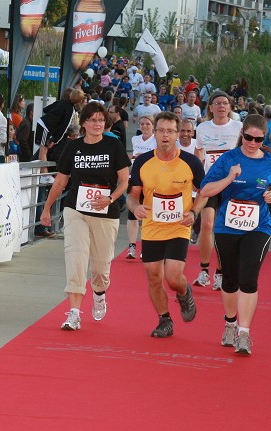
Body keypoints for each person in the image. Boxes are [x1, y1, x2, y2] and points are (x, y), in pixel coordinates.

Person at [39, 103, 130, 331]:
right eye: (92, 120)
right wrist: (47, 208)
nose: (96, 124)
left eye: (100, 120)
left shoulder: (114, 146)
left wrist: (110, 199)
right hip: (76, 211)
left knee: (100, 268)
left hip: (105, 214)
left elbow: (124, 180)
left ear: (105, 123)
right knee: (76, 259)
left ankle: (99, 293)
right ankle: (74, 313)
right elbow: (60, 181)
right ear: (84, 123)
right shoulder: (73, 147)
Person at [199, 114, 271, 356]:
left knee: (249, 278)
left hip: (258, 225)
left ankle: (244, 333)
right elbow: (205, 189)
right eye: (248, 137)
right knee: (230, 279)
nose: (253, 143)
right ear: (241, 134)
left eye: (258, 139)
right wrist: (229, 177)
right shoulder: (229, 159)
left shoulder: (269, 160)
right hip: (228, 225)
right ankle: (230, 323)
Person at [127, 112, 206, 336]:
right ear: (154, 132)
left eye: (170, 131)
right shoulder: (143, 161)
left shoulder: (190, 162)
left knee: (173, 278)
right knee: (153, 275)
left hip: (178, 225)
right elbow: (132, 196)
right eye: (161, 130)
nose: (165, 136)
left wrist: (194, 211)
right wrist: (135, 207)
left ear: (177, 134)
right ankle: (164, 320)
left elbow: (204, 192)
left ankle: (184, 292)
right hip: (152, 226)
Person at [192, 91, 242, 289]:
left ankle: (220, 273)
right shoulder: (203, 127)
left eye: (225, 103)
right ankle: (204, 270)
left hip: (232, 184)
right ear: (210, 107)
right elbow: (198, 152)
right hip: (210, 183)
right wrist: (197, 175)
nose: (221, 106)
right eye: (217, 103)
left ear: (230, 107)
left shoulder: (238, 127)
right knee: (206, 225)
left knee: (224, 229)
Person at [127, 115, 158, 259]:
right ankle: (131, 246)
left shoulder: (156, 140)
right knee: (132, 213)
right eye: (142, 124)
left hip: (151, 179)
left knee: (148, 214)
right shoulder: (135, 139)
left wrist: (144, 157)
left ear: (153, 126)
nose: (145, 126)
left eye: (148, 124)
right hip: (135, 178)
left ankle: (146, 245)